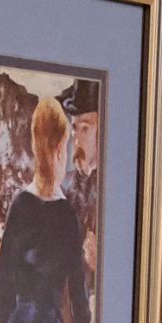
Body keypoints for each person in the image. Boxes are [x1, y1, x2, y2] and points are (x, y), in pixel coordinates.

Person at [0, 95, 91, 323]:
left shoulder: (19, 206)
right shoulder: (67, 215)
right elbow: (78, 294)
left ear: (35, 147)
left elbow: (3, 286)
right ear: (61, 148)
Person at [61, 77, 100, 289]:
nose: (76, 140)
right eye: (74, 128)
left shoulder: (116, 194)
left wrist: (99, 265)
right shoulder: (64, 187)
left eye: (85, 129)